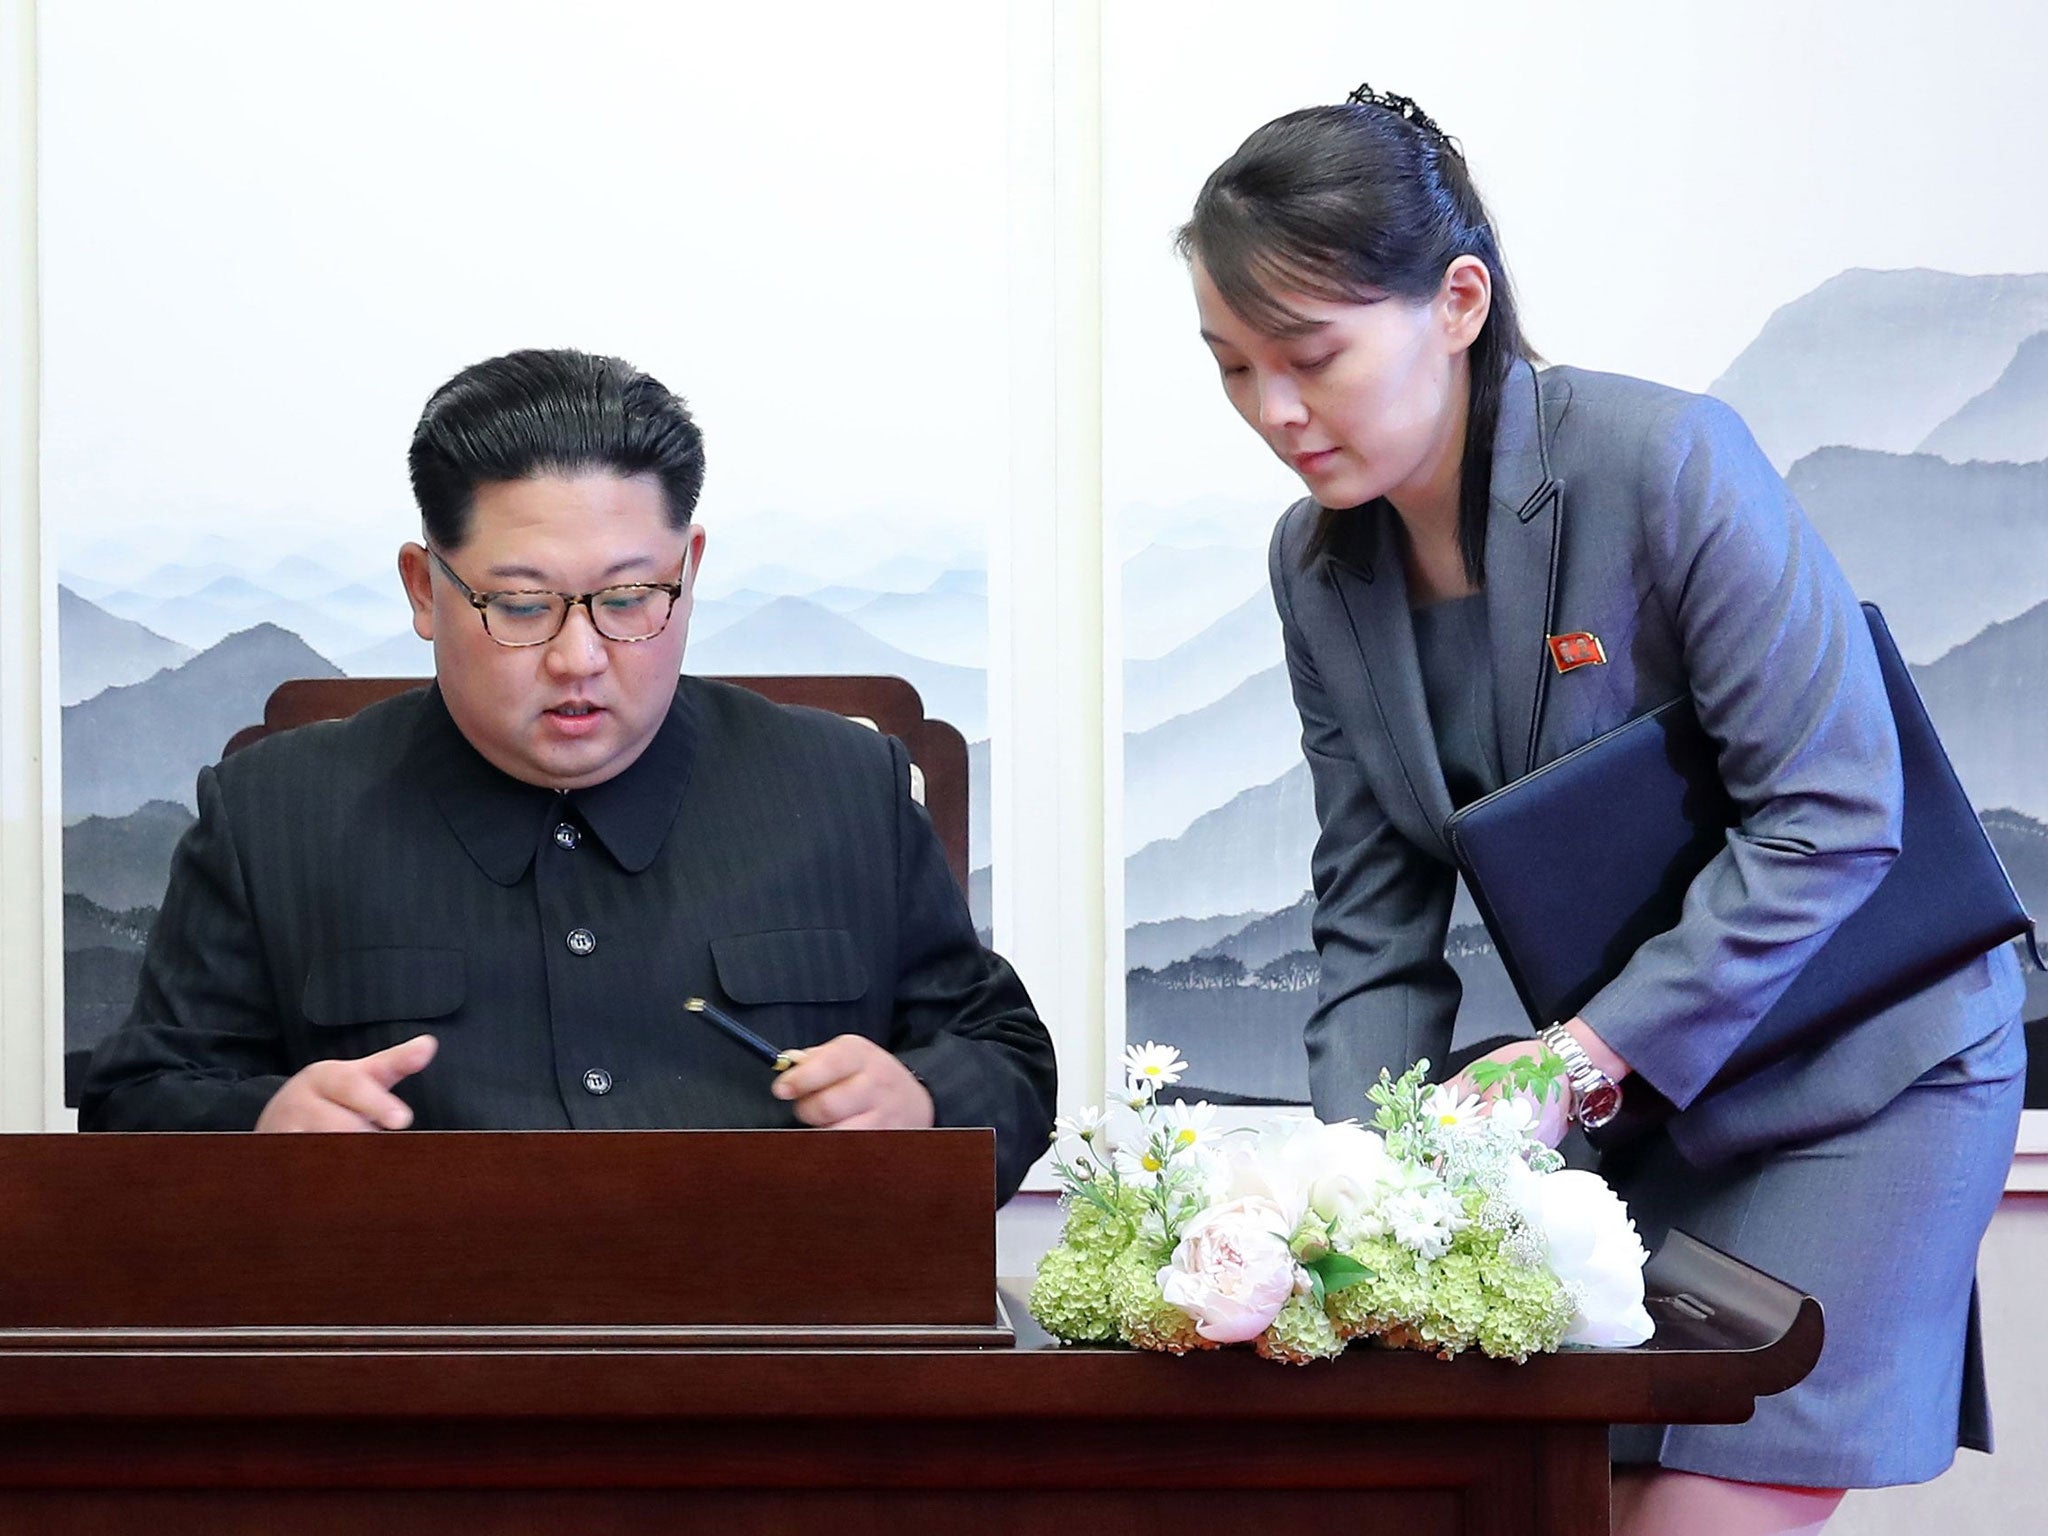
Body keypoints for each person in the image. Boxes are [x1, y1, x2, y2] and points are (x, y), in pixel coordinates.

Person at [1179, 87, 2025, 1535]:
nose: (1274, 412)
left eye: (1310, 355)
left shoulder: (1668, 459)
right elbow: (1373, 922)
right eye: (1232, 367)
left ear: (1458, 301)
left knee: (1688, 1516)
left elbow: (1832, 813)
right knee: (1531, 1500)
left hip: (1864, 1078)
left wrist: (1576, 1062)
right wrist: (1349, 1204)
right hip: (1625, 1106)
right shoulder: (1313, 569)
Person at [78, 347, 1057, 1204]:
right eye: (520, 605)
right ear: (427, 589)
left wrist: (924, 1102)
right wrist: (261, 1129)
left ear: (690, 567)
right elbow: (135, 1104)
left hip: (778, 1371)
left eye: (630, 597)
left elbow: (1003, 1054)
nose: (579, 656)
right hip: (411, 1373)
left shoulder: (841, 786)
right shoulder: (276, 813)